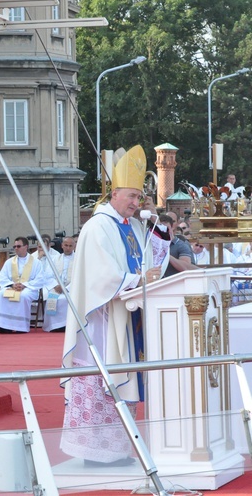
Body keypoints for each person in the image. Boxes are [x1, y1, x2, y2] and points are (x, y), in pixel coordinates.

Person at [60, 145, 165, 467]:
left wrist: (149, 270)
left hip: (128, 316)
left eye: (140, 197)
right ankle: (93, 451)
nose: (136, 203)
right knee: (101, 382)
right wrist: (135, 279)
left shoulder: (132, 226)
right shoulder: (98, 226)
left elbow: (149, 261)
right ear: (114, 193)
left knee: (125, 378)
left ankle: (117, 449)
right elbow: (100, 276)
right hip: (102, 320)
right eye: (132, 196)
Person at [0, 236, 45, 333]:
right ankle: (3, 326)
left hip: (29, 288)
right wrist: (12, 285)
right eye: (15, 246)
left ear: (26, 247)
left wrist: (24, 285)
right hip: (12, 287)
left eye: (18, 246)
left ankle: (20, 326)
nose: (16, 248)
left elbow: (40, 279)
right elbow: (2, 277)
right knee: (1, 294)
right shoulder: (9, 262)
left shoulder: (36, 262)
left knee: (23, 295)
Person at [41, 236, 75, 333]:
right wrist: (56, 285)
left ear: (74, 247)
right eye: (66, 245)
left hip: (71, 289)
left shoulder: (78, 259)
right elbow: (48, 275)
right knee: (53, 299)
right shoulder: (55, 259)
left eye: (70, 246)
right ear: (62, 246)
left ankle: (67, 325)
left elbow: (80, 276)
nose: (68, 248)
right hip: (56, 288)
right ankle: (54, 326)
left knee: (65, 300)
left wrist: (67, 288)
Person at [158, 213, 197, 278]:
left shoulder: (181, 245)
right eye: (160, 228)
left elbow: (186, 268)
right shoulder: (150, 244)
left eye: (166, 228)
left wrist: (167, 255)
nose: (163, 231)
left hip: (175, 285)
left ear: (172, 228)